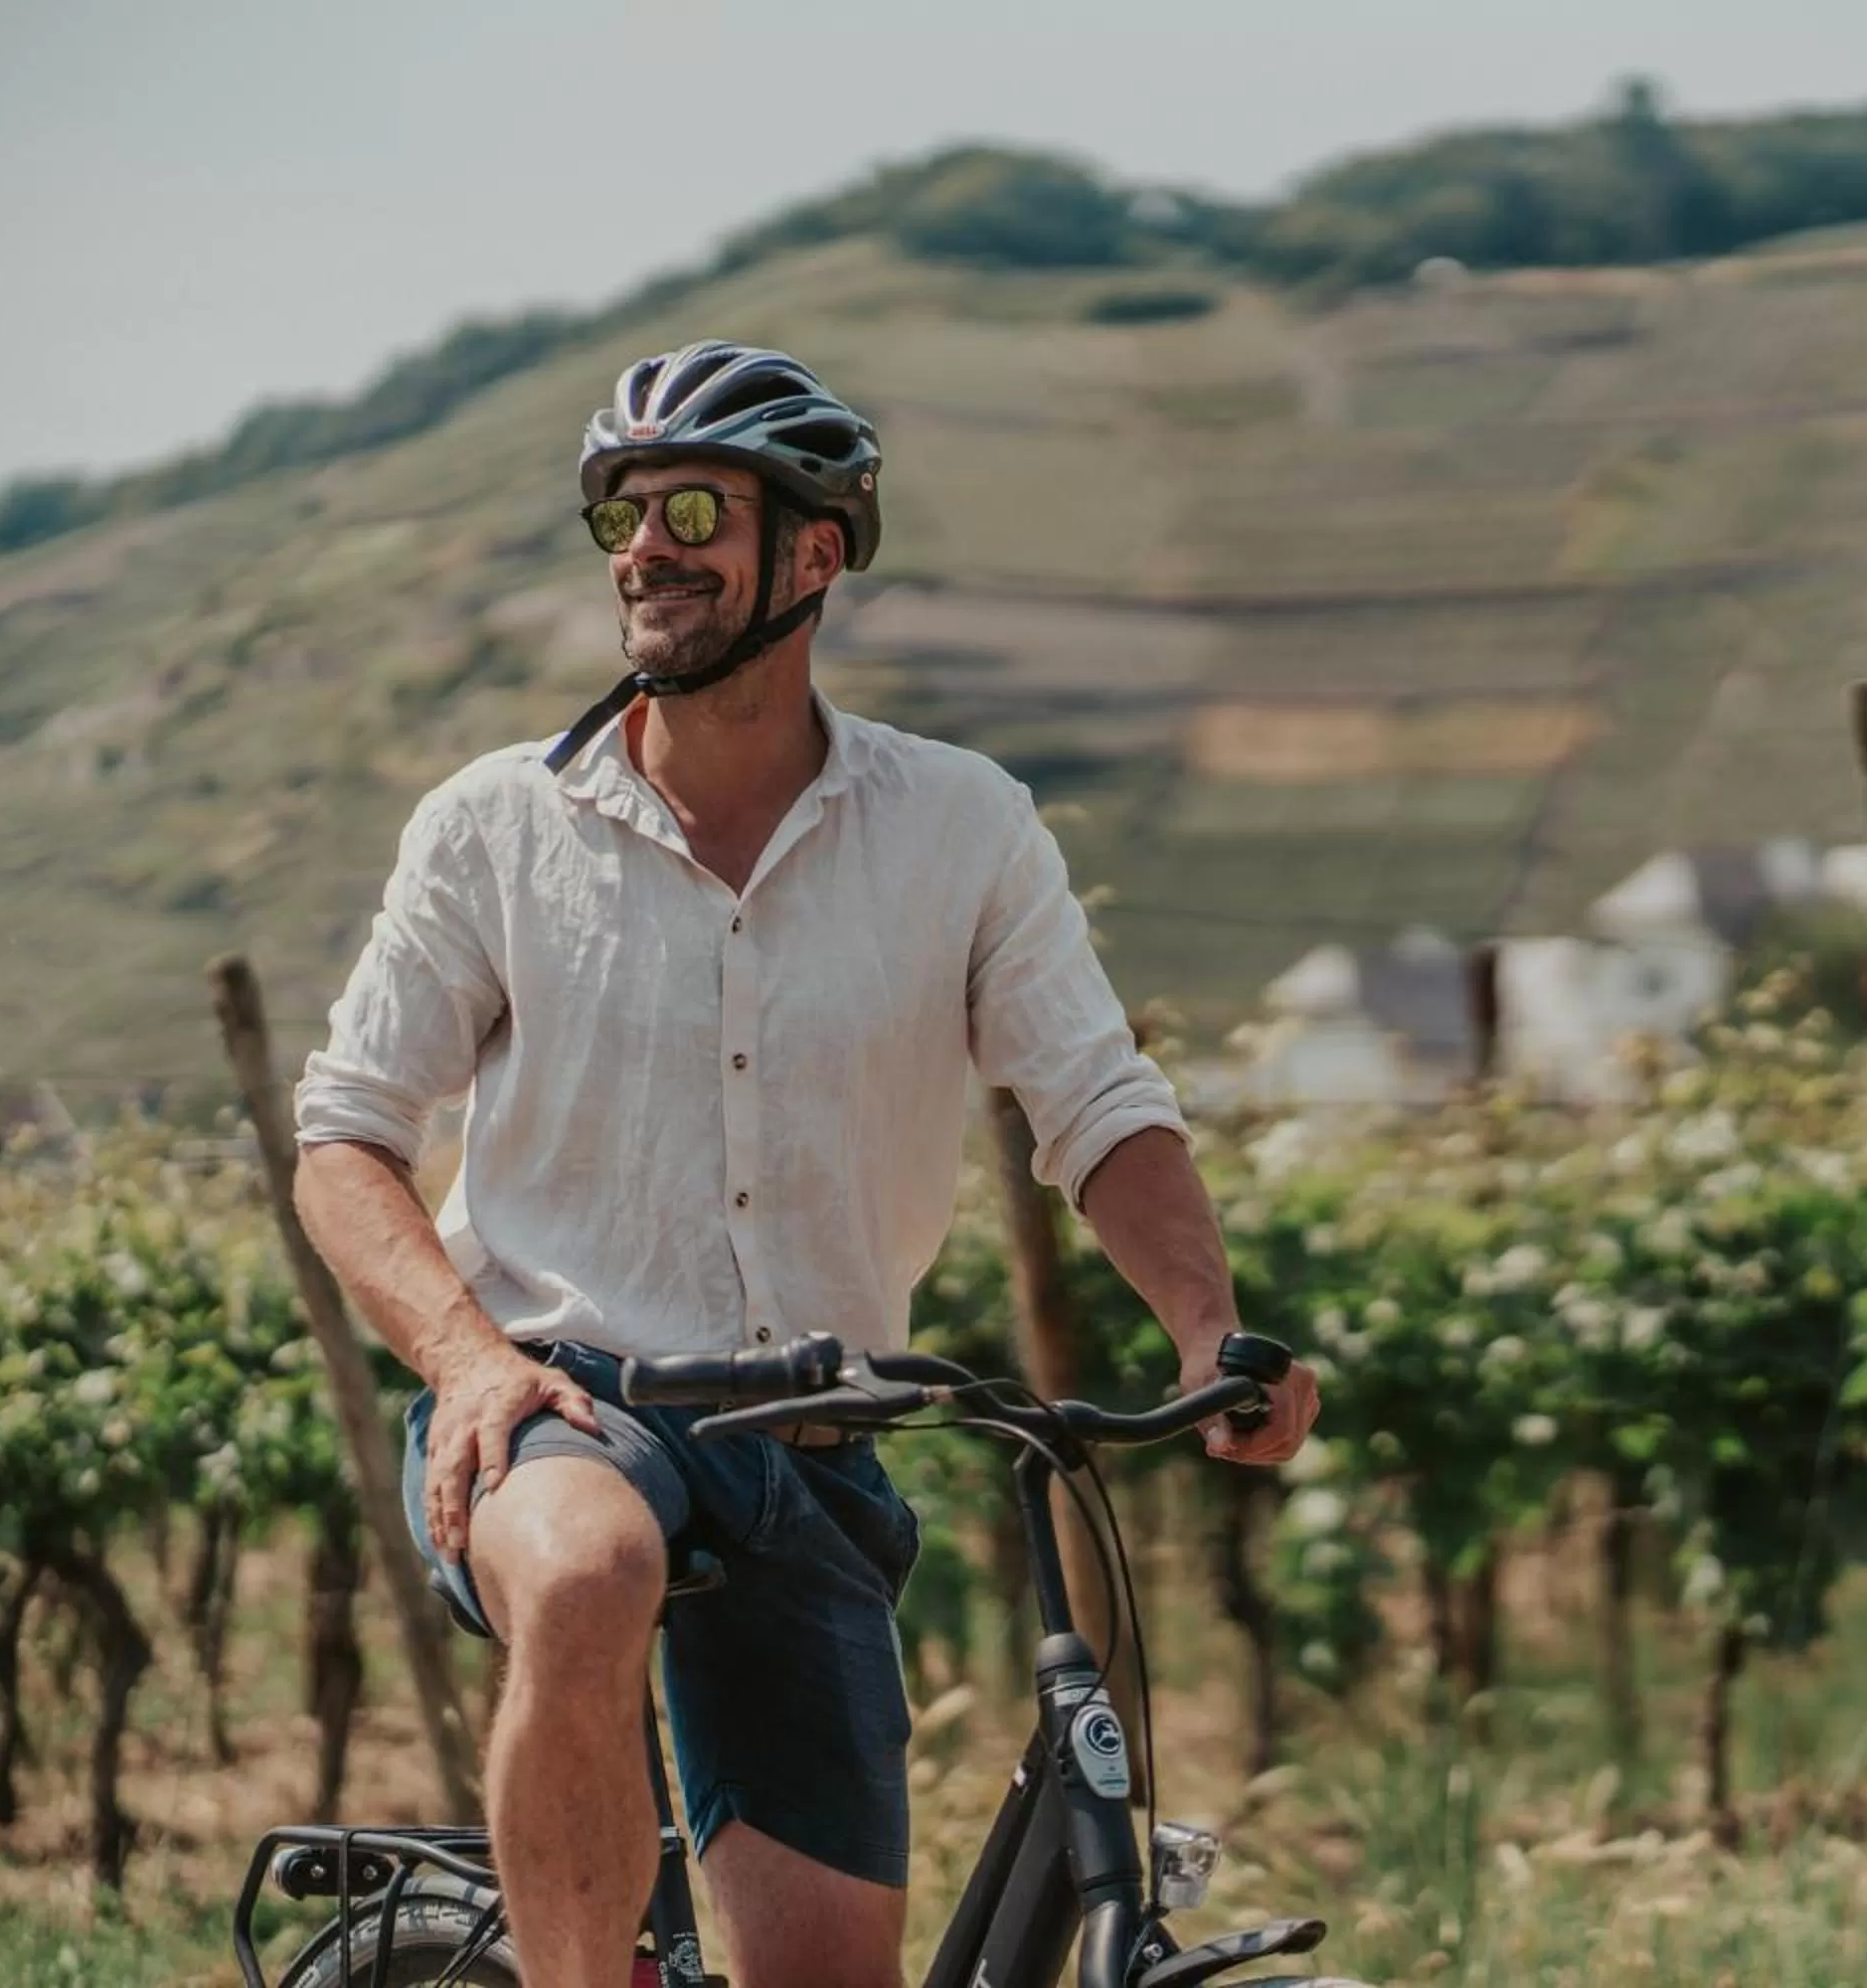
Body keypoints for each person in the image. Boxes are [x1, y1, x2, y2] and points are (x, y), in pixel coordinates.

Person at [291, 339, 1320, 1988]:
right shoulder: (494, 826)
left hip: (819, 1446)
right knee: (590, 1564)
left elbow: (1101, 1106)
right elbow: (344, 1140)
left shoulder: (962, 825)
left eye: (692, 505)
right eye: (619, 511)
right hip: (562, 1402)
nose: (646, 545)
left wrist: (1209, 1330)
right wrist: (467, 1360)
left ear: (817, 550)